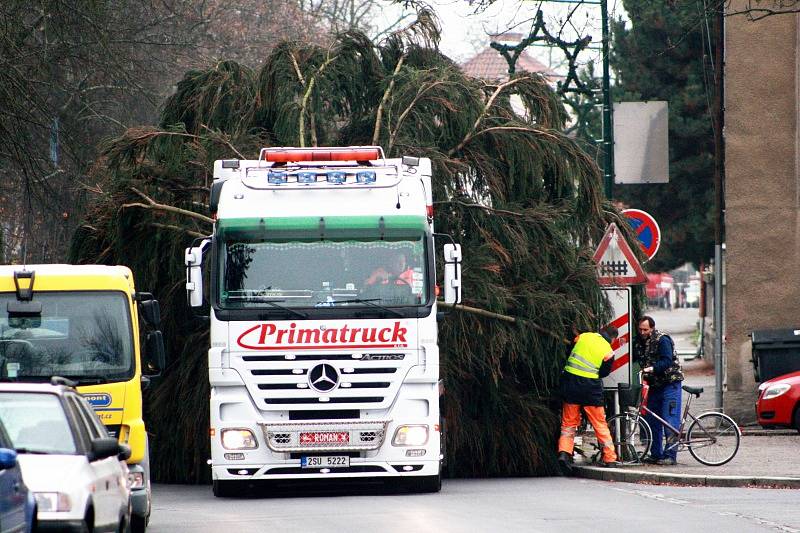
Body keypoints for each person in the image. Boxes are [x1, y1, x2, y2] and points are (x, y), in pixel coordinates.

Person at [557, 325, 620, 473]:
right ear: (612, 339)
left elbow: (569, 353)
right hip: (590, 390)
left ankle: (564, 453)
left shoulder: (583, 337)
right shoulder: (608, 351)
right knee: (600, 424)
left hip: (570, 385)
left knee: (568, 425)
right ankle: (610, 458)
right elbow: (603, 373)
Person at [634, 315, 685, 466]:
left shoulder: (662, 340)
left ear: (652, 328)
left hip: (671, 383)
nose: (643, 332)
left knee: (670, 420)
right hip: (655, 386)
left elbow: (667, 360)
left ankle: (670, 455)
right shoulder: (639, 343)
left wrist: (652, 368)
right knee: (652, 420)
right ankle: (656, 454)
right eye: (641, 329)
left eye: (646, 329)